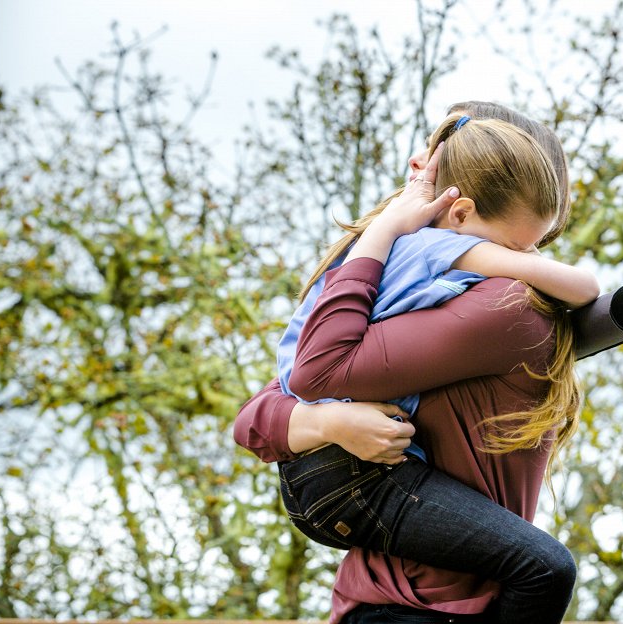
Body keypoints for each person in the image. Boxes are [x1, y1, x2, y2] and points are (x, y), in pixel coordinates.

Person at [235, 102, 583, 623]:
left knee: (547, 568)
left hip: (432, 609)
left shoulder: (505, 304)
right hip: (381, 606)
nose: (417, 162)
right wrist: (330, 422)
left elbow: (317, 371)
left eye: (438, 150)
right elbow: (254, 418)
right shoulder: (418, 283)